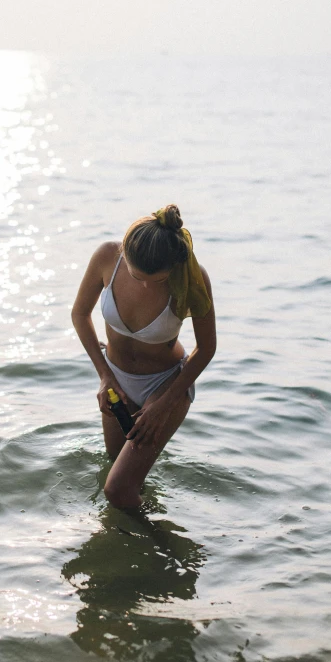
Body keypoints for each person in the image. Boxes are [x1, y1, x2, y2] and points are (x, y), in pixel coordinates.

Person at [71, 204, 216, 509]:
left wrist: (163, 405)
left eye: (159, 279)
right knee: (118, 470)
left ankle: (165, 549)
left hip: (164, 384)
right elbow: (80, 314)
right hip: (115, 379)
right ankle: (132, 537)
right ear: (125, 251)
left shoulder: (192, 277)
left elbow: (207, 348)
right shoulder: (107, 257)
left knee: (118, 489)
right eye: (139, 277)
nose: (149, 284)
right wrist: (104, 376)